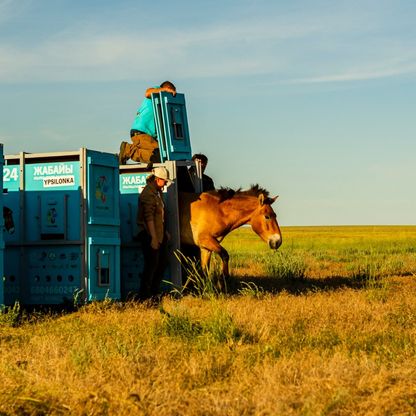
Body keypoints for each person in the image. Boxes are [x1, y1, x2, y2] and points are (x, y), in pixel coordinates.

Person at [136, 166, 173, 301]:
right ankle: (145, 296)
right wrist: (153, 238)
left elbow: (159, 216)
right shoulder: (148, 194)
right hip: (148, 234)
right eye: (165, 181)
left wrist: (165, 232)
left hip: (158, 233)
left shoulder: (157, 193)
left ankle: (154, 292)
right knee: (151, 265)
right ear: (158, 180)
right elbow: (148, 217)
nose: (165, 184)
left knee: (162, 262)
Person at [119, 81, 177, 166]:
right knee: (158, 156)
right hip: (142, 132)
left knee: (163, 155)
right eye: (172, 92)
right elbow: (147, 92)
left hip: (146, 135)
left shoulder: (160, 105)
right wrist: (165, 90)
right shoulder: (157, 91)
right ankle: (128, 150)